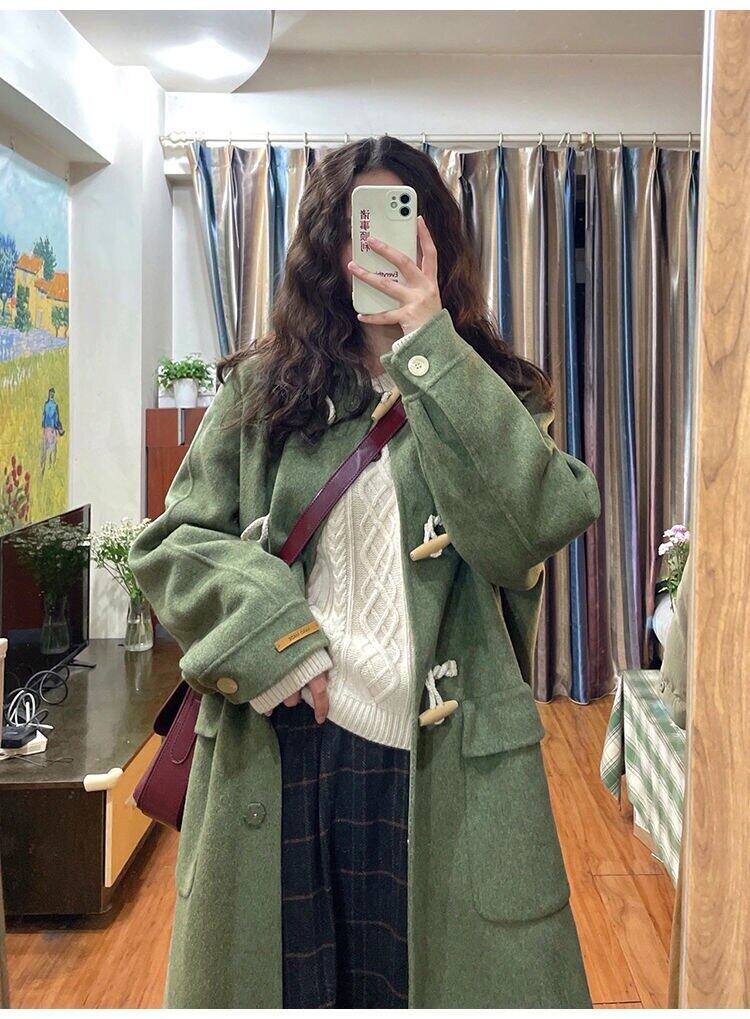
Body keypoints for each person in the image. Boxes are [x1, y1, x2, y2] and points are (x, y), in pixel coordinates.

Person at [128, 135, 601, 1009]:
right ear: (325, 246)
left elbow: (526, 532)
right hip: (281, 746)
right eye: (357, 228)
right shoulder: (263, 391)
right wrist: (276, 636)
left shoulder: (498, 390)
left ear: (435, 242)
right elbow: (172, 544)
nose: (377, 248)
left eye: (398, 226)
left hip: (443, 771)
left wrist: (431, 347)